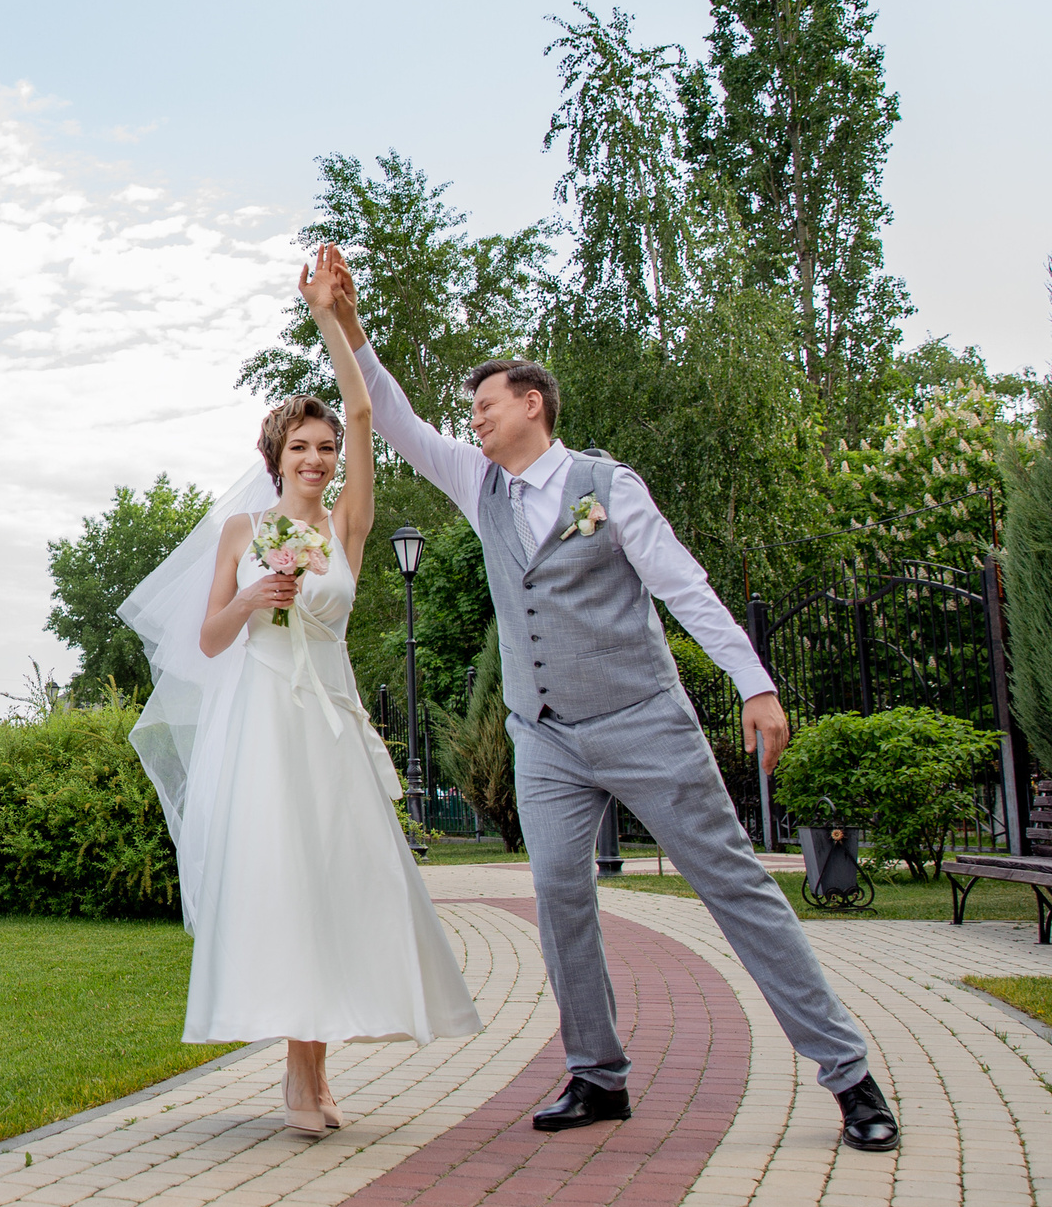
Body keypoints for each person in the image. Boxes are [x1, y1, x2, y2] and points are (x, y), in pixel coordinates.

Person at [307, 245, 897, 1152]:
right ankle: (597, 1073)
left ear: (532, 404)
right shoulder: (481, 485)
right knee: (556, 891)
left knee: (734, 886)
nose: (473, 418)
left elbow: (684, 585)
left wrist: (757, 681)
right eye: (471, 410)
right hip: (544, 737)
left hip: (642, 721)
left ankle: (849, 1075)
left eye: (486, 404)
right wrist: (346, 320)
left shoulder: (606, 487)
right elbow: (392, 416)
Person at [121, 276, 479, 1137]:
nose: (317, 459)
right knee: (284, 882)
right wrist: (254, 600)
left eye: (324, 448)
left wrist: (331, 317)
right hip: (266, 725)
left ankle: (310, 1070)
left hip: (330, 722)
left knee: (334, 880)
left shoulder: (350, 524)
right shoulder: (242, 534)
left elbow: (363, 411)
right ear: (275, 457)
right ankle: (299, 1073)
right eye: (302, 448)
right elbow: (208, 638)